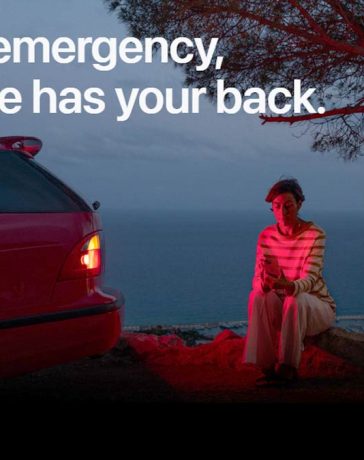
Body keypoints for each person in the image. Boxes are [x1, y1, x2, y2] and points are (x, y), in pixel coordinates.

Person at [242, 178, 336, 385]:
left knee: (296, 299)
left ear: (299, 204)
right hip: (283, 305)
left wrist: (289, 286)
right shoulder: (266, 236)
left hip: (315, 307)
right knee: (257, 295)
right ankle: (265, 365)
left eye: (288, 206)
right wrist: (265, 284)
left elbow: (310, 279)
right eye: (277, 207)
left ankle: (287, 368)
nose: (282, 212)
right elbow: (257, 278)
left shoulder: (315, 234)